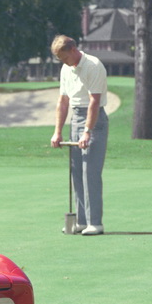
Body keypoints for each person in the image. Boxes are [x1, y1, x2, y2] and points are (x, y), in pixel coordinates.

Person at [48, 34, 108, 235]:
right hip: (75, 118)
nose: (64, 63)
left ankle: (95, 223)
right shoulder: (66, 69)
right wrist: (58, 132)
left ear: (73, 49)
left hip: (95, 120)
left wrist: (87, 132)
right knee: (76, 173)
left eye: (65, 58)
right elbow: (63, 102)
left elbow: (94, 102)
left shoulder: (93, 65)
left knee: (89, 172)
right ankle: (81, 221)